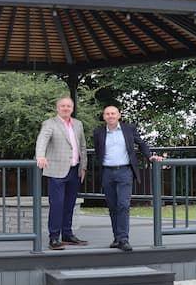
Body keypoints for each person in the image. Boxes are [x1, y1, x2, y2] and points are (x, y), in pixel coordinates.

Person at [93, 105, 163, 252]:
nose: (110, 116)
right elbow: (98, 152)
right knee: (112, 206)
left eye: (113, 113)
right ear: (104, 117)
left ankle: (124, 239)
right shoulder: (98, 132)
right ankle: (117, 238)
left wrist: (150, 156)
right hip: (107, 172)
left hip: (125, 171)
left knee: (123, 205)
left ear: (119, 115)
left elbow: (141, 143)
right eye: (107, 114)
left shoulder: (128, 129)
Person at [35, 96, 88, 250]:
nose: (66, 108)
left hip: (74, 170)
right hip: (56, 170)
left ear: (72, 108)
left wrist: (83, 167)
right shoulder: (50, 123)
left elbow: (82, 147)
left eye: (69, 106)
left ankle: (67, 235)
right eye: (63, 106)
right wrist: (40, 156)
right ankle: (54, 238)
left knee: (69, 205)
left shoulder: (78, 124)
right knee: (57, 205)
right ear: (57, 108)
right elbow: (42, 140)